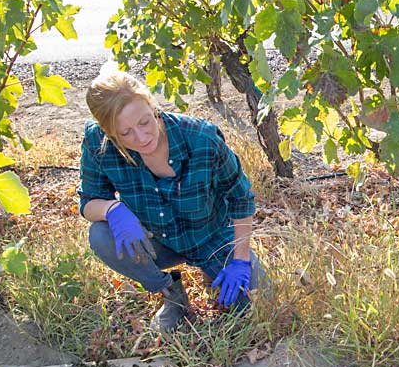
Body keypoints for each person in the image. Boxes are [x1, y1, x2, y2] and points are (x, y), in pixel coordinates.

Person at [77, 69, 266, 332]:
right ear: (109, 132)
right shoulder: (98, 142)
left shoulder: (202, 138)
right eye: (126, 133)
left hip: (211, 238)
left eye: (144, 122)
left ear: (151, 105)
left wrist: (240, 259)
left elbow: (241, 197)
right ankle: (172, 297)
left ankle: (212, 269)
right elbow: (88, 203)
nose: (141, 138)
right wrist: (112, 208)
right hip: (157, 240)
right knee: (100, 235)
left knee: (256, 303)